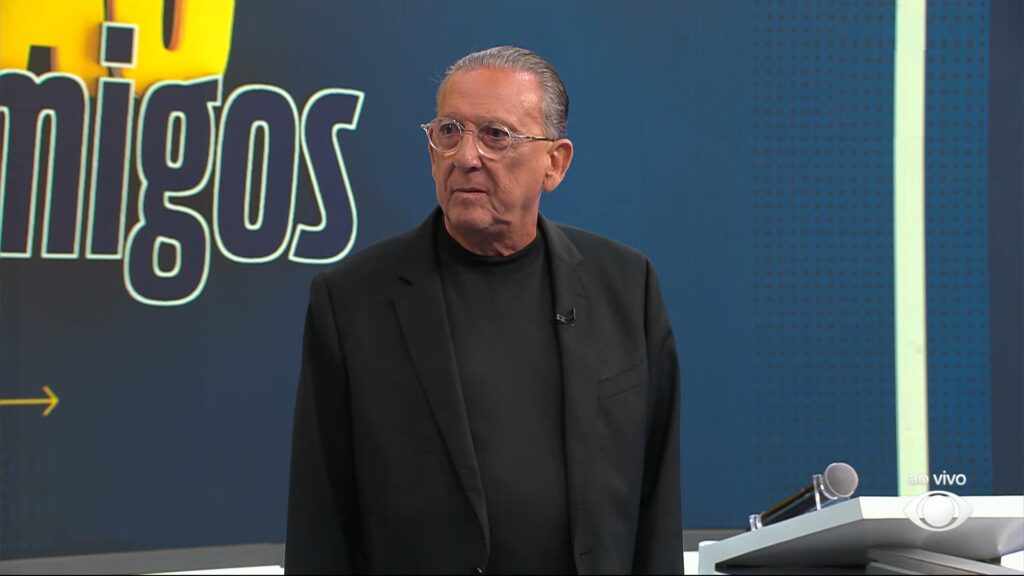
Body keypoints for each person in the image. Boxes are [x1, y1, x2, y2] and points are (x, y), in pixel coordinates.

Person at [286, 45, 681, 575]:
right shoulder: (352, 300)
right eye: (449, 131)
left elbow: (656, 502)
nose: (466, 156)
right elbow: (320, 521)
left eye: (496, 135)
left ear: (555, 163)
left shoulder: (627, 286)